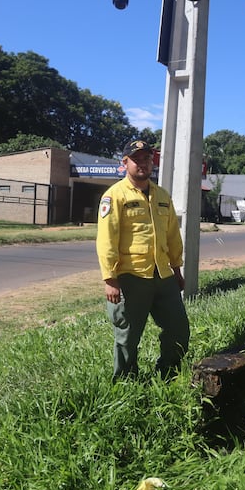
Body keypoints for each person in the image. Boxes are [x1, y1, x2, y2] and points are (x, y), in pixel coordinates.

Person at [96, 140, 190, 381]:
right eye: (136, 159)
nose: (143, 163)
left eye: (147, 158)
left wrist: (177, 270)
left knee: (178, 329)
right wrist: (110, 279)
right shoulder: (114, 196)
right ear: (125, 162)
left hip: (163, 275)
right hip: (130, 277)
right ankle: (126, 383)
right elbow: (107, 240)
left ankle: (169, 373)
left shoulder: (161, 195)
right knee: (128, 335)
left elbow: (172, 236)